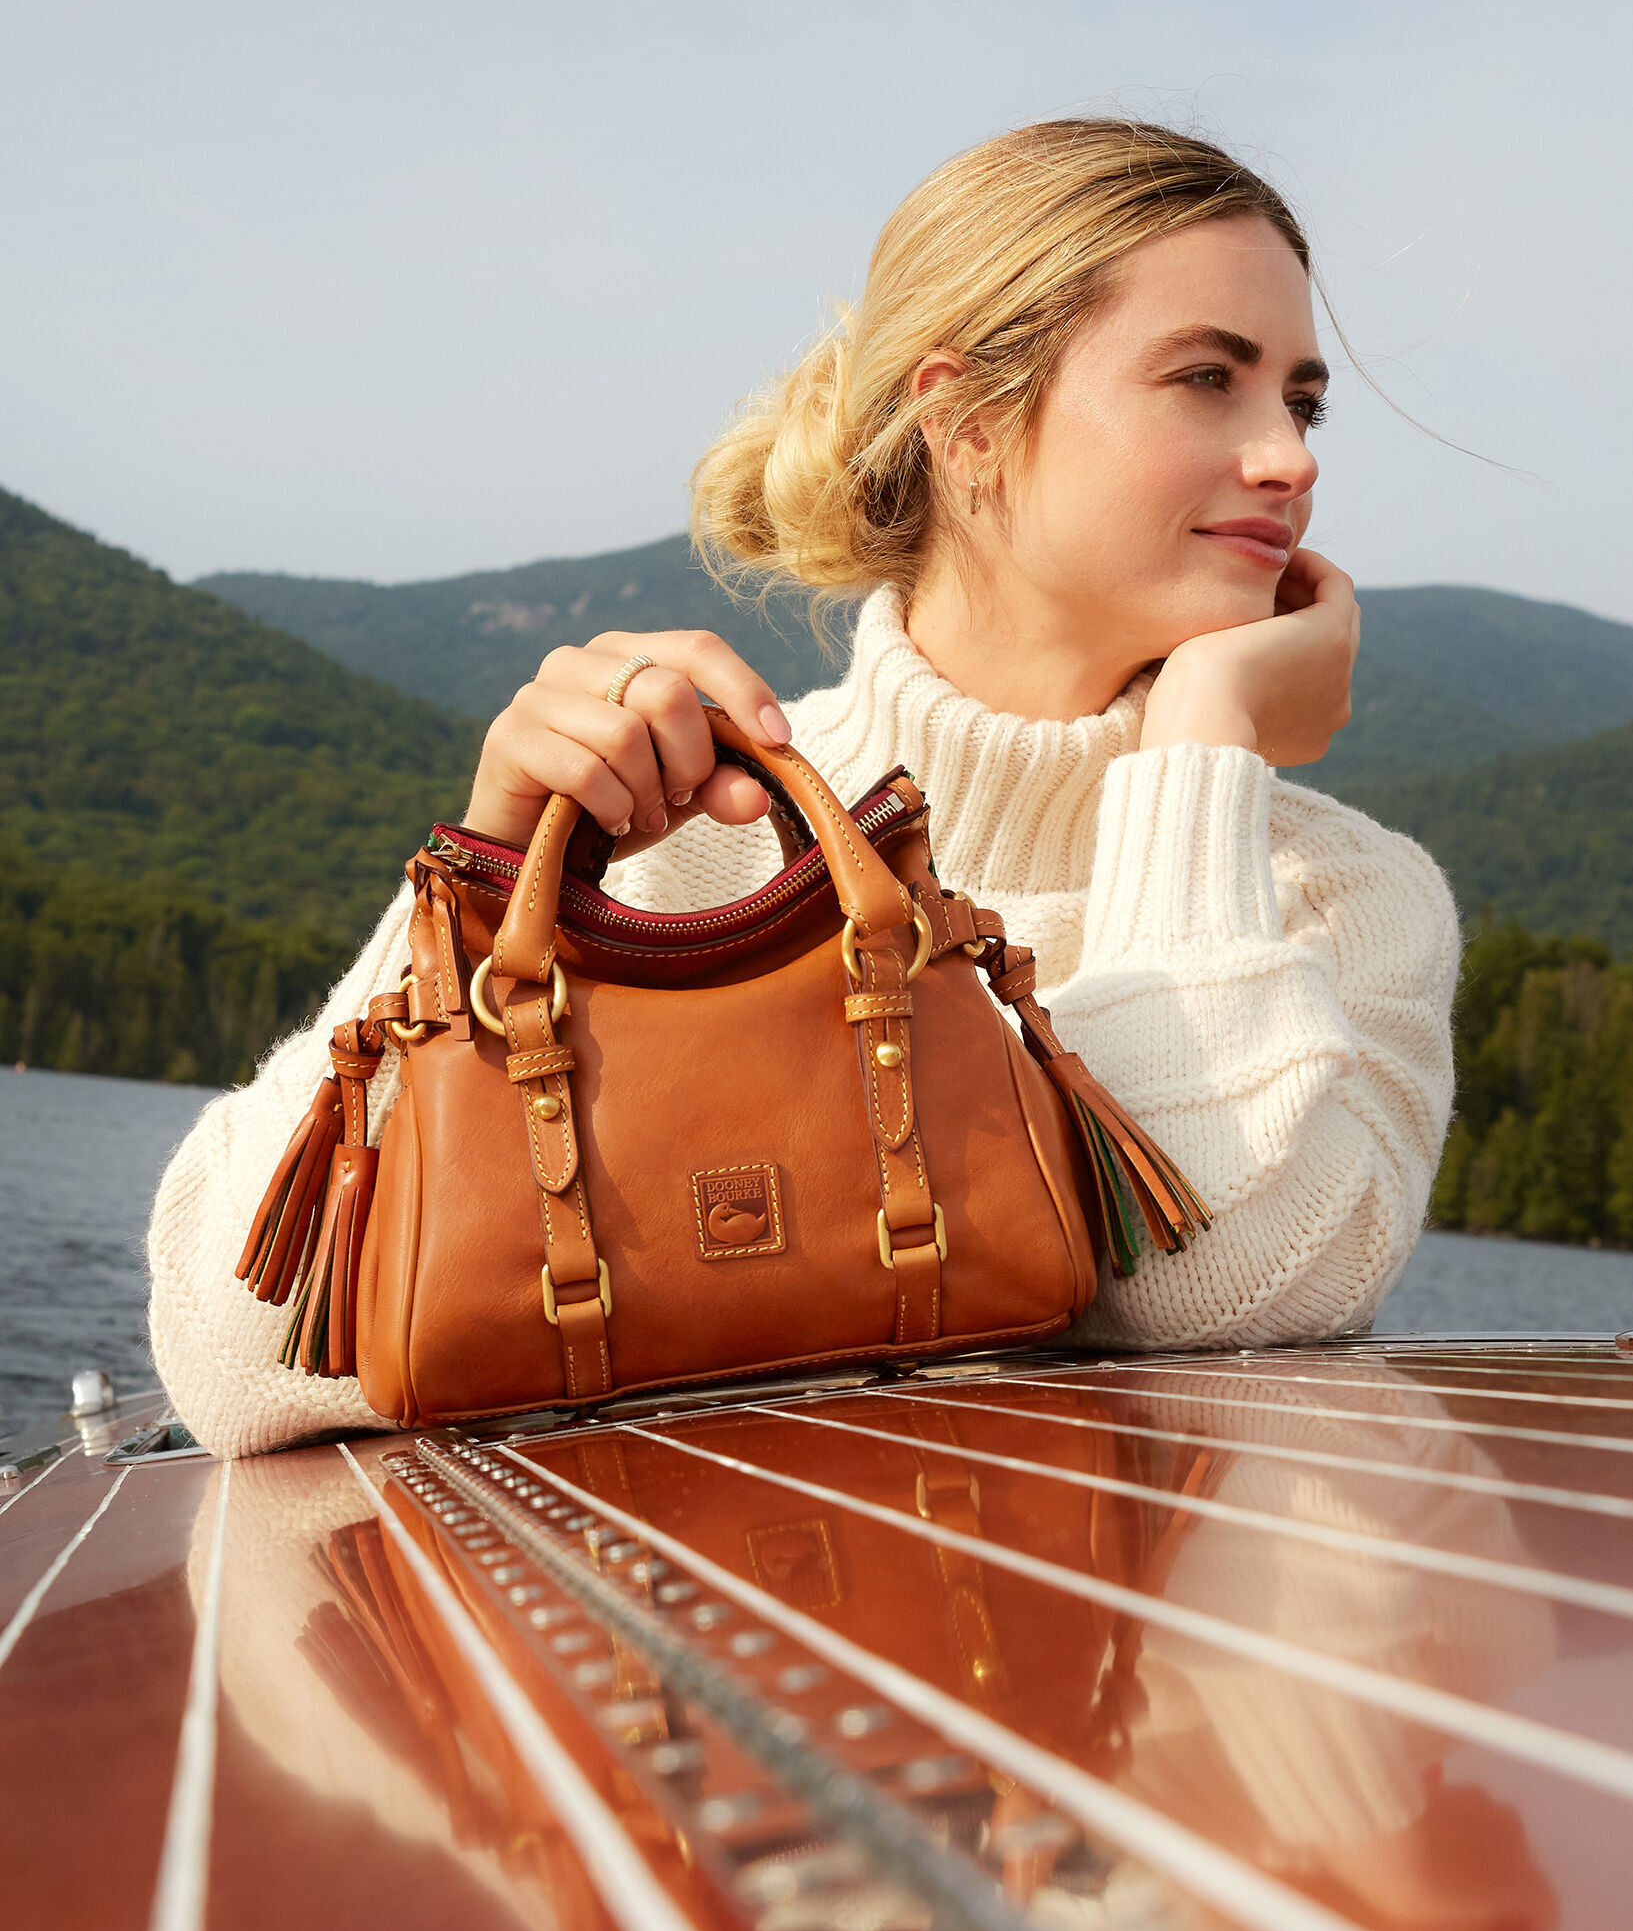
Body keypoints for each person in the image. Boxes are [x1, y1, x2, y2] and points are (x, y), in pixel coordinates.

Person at [149, 118, 1459, 1459]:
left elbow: (1206, 1288)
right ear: (964, 424)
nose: (1289, 459)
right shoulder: (671, 836)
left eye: (1298, 403)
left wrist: (1200, 745)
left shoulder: (1343, 900)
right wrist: (483, 877)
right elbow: (232, 1355)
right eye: (1205, 380)